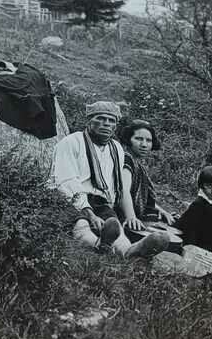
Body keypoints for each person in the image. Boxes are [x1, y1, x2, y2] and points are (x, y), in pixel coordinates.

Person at [49, 101, 169, 258]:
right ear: (89, 121)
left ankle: (130, 251)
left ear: (115, 126)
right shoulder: (72, 142)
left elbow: (115, 186)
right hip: (69, 197)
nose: (106, 124)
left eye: (111, 120)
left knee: (114, 225)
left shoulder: (115, 148)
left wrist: (113, 211)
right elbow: (66, 182)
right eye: (101, 118)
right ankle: (99, 245)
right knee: (82, 224)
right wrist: (90, 214)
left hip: (99, 200)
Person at [117, 120, 176, 224]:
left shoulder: (138, 165)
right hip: (121, 214)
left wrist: (163, 212)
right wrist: (131, 217)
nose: (144, 144)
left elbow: (145, 200)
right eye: (138, 139)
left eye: (148, 140)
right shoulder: (126, 159)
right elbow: (123, 190)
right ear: (128, 139)